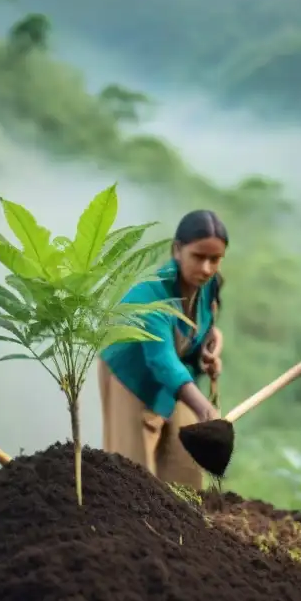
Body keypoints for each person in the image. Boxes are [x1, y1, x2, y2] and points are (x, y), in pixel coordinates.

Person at [98, 210, 227, 490]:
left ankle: (177, 528)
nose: (206, 268)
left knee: (186, 466)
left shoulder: (209, 285)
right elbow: (162, 360)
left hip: (177, 378)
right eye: (198, 257)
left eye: (214, 259)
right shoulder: (151, 295)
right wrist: (205, 408)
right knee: (132, 473)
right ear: (177, 250)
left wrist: (211, 345)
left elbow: (206, 324)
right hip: (132, 376)